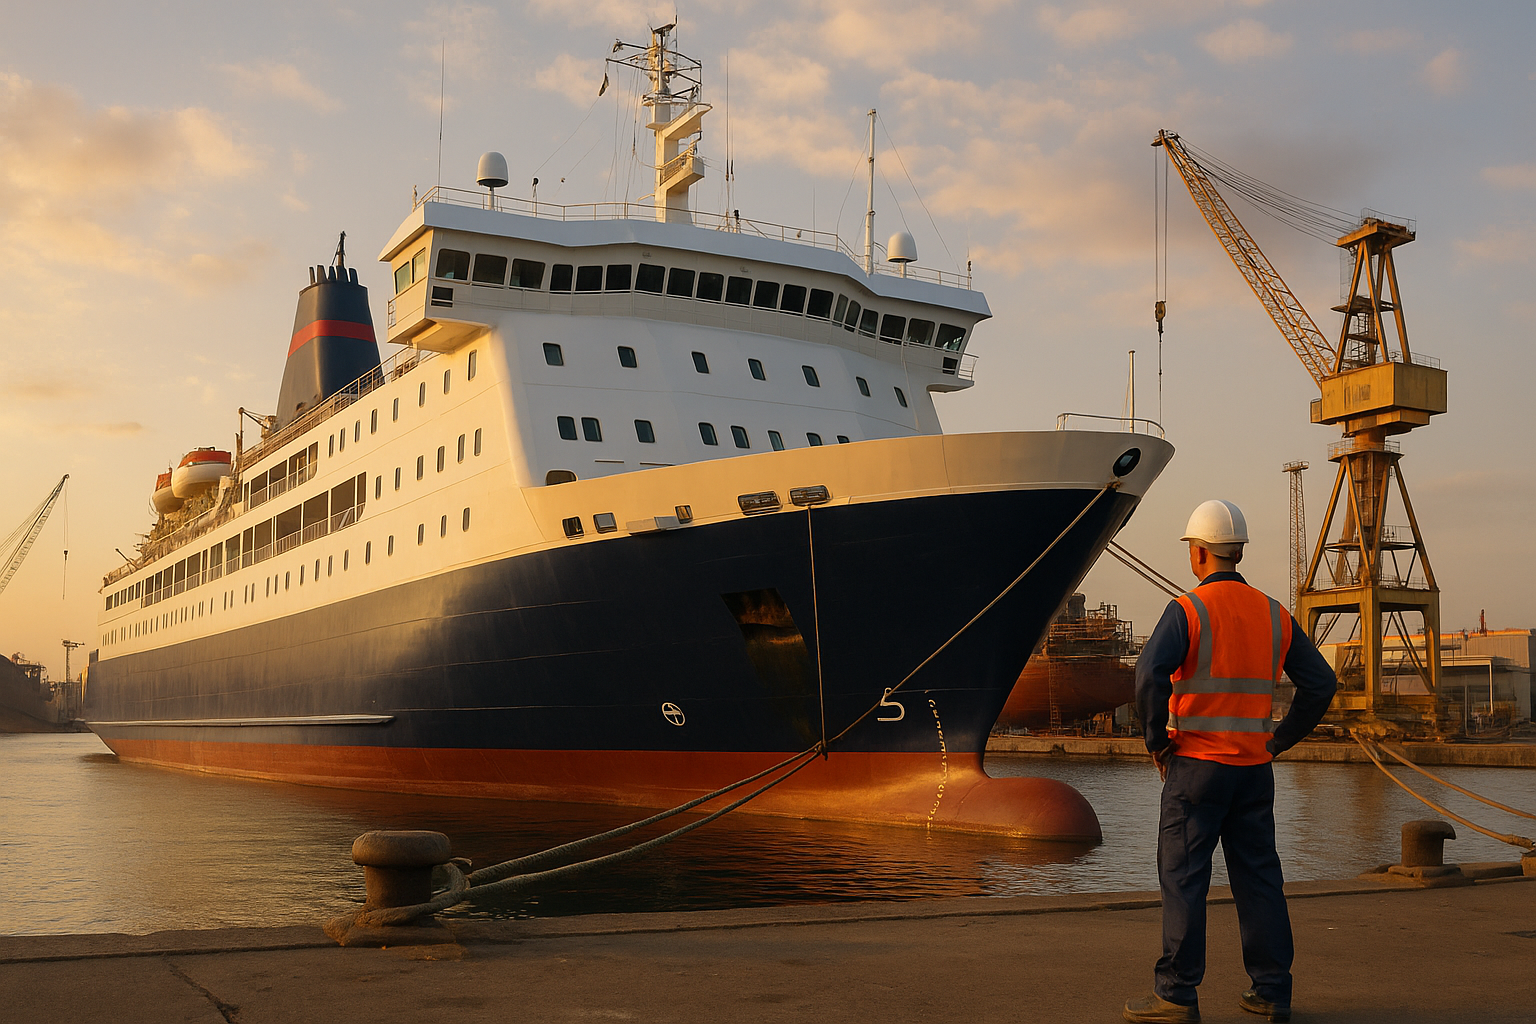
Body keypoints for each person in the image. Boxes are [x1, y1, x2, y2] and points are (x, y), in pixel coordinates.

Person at [1123, 499, 1337, 1024]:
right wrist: (1279, 740)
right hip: (1253, 772)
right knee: (1260, 878)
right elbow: (1321, 683)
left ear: (1198, 553)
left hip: (1195, 767)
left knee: (1184, 878)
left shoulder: (1188, 610)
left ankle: (1175, 995)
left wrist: (1155, 741)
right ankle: (1270, 992)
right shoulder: (1273, 613)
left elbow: (1148, 675)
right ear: (1237, 552)